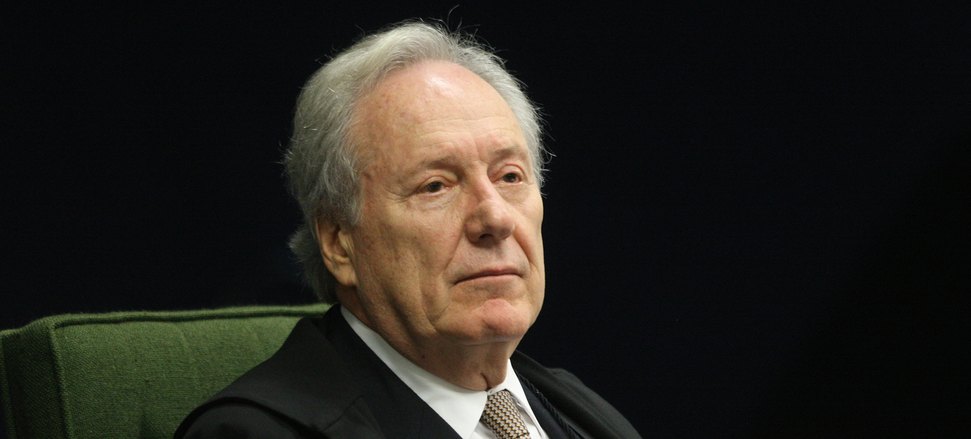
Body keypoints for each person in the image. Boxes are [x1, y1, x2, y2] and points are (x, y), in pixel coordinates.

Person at [175, 20, 641, 439]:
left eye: (510, 177)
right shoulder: (254, 431)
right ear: (339, 243)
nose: (496, 219)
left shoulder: (575, 410)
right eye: (435, 185)